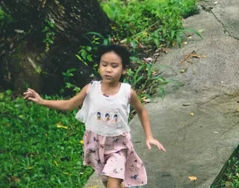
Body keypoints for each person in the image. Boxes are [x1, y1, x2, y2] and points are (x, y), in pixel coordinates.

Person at [23, 44, 165, 188]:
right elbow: (68, 104)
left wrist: (149, 136)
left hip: (118, 146)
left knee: (113, 182)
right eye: (104, 65)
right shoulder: (91, 89)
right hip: (96, 145)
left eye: (114, 66)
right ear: (99, 66)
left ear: (124, 69)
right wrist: (42, 101)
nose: (108, 69)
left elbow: (141, 111)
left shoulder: (127, 92)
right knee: (108, 180)